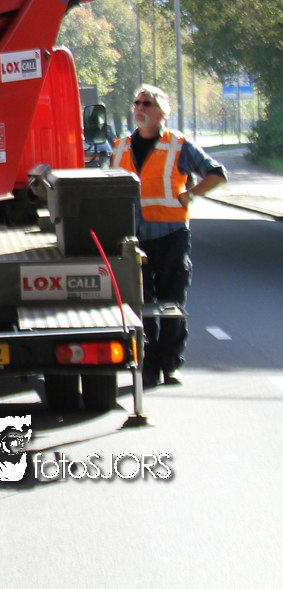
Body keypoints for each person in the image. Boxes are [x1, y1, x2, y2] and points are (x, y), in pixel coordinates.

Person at [109, 84, 226, 388]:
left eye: (146, 103)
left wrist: (190, 195)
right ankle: (148, 365)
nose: (139, 108)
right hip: (133, 239)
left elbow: (216, 173)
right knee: (141, 304)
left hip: (171, 235)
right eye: (137, 102)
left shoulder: (178, 145)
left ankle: (171, 363)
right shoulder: (120, 147)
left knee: (171, 302)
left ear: (162, 112)